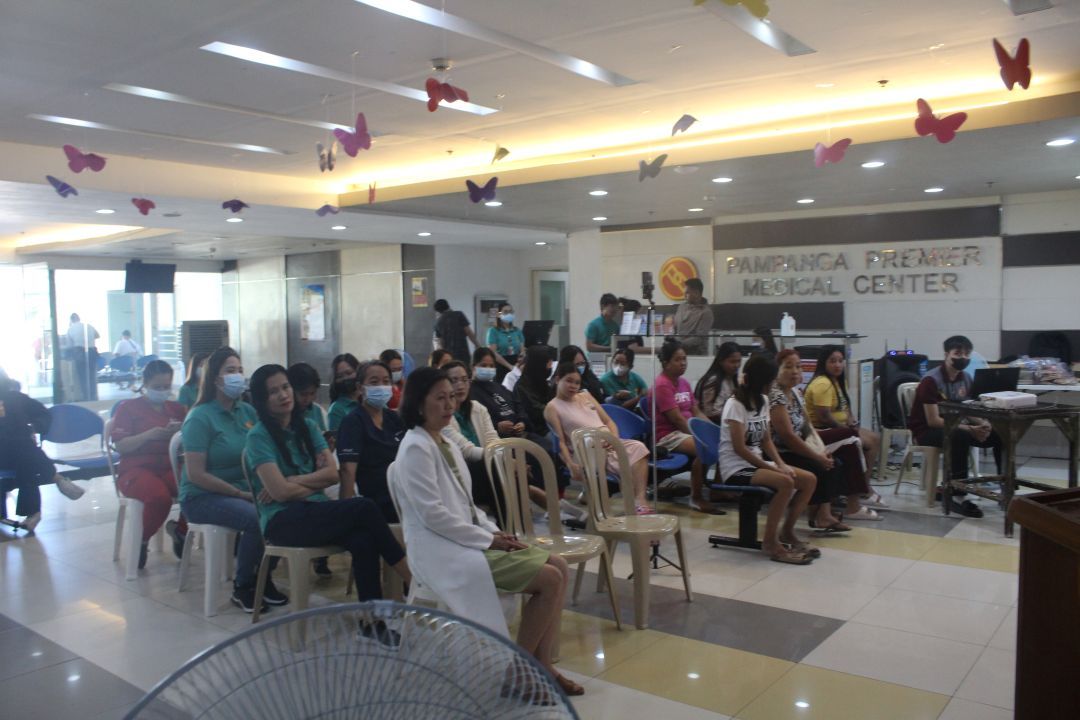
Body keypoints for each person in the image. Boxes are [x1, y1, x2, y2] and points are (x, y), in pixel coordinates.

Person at [391, 367, 580, 696]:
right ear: (419, 403)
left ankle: (543, 666)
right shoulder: (415, 448)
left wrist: (495, 532)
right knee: (549, 580)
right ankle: (519, 672)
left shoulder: (444, 442)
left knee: (559, 566)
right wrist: (488, 540)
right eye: (440, 398)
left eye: (451, 397)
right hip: (442, 551)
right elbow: (433, 516)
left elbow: (466, 506)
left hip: (466, 539)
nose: (449, 405)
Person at [244, 365, 410, 603]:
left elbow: (332, 475)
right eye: (273, 392)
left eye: (285, 387)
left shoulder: (308, 427)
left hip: (315, 509)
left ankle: (372, 616)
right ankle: (410, 576)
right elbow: (280, 494)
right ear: (262, 400)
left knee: (363, 539)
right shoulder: (258, 437)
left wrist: (292, 480)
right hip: (282, 521)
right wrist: (310, 481)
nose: (283, 395)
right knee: (364, 506)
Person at [179, 346, 285, 613]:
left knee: (284, 511)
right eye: (230, 371)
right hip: (202, 495)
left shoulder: (247, 412)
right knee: (256, 518)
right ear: (215, 378)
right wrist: (239, 494)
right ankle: (243, 586)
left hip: (244, 490)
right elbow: (196, 474)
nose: (237, 375)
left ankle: (263, 577)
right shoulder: (199, 417)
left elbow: (263, 453)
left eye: (240, 370)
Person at [720, 355, 818, 564]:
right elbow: (739, 448)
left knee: (809, 480)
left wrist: (780, 464)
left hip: (756, 463)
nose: (773, 385)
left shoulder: (763, 401)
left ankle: (787, 532)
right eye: (770, 381)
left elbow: (765, 440)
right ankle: (770, 542)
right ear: (760, 381)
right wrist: (773, 469)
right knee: (786, 482)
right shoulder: (735, 405)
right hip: (735, 468)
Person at [907, 335, 1002, 518]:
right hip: (927, 431)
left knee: (999, 433)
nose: (963, 357)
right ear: (946, 354)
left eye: (966, 354)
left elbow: (967, 410)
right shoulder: (931, 381)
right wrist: (969, 430)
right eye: (958, 353)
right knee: (960, 436)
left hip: (957, 426)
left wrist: (983, 424)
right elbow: (933, 421)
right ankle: (957, 495)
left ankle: (1005, 487)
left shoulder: (965, 378)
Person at [546, 362, 652, 512]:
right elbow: (561, 441)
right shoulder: (552, 407)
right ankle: (606, 500)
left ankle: (640, 499)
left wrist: (614, 440)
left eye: (577, 382)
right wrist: (570, 464)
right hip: (585, 450)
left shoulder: (585, 395)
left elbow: (609, 422)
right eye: (569, 381)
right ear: (558, 379)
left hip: (609, 442)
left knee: (639, 447)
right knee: (593, 444)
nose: (573, 386)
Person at [111, 361, 187, 568]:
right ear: (145, 384)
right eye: (157, 387)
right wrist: (149, 435)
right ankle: (142, 540)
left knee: (194, 488)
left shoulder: (176, 409)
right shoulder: (128, 409)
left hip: (170, 466)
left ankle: (181, 530)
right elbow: (121, 446)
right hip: (136, 470)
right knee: (159, 498)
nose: (162, 391)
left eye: (166, 386)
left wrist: (179, 433)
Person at [768, 350, 851, 533]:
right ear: (777, 370)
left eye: (798, 366)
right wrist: (816, 457)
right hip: (779, 453)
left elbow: (808, 427)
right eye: (788, 367)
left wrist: (821, 451)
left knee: (834, 463)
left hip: (796, 448)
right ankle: (815, 516)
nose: (795, 371)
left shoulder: (796, 393)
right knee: (820, 467)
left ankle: (822, 514)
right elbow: (788, 437)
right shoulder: (776, 396)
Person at [804, 346, 884, 520]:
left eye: (840, 361)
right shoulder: (822, 383)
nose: (837, 365)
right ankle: (860, 493)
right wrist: (846, 429)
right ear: (823, 363)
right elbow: (824, 417)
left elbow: (845, 408)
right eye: (832, 361)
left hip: (837, 427)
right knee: (856, 441)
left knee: (874, 438)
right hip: (822, 430)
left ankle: (864, 488)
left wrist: (852, 421)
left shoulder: (838, 381)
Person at [0, 373, 83, 531]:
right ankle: (56, 479)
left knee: (26, 457)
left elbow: (43, 414)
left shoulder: (15, 399)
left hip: (18, 454)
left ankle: (33, 513)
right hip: (12, 452)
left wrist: (34, 427)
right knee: (26, 451)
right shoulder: (15, 398)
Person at [649, 340, 722, 514]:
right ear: (666, 363)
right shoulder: (661, 385)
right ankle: (696, 498)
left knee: (721, 441)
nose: (683, 363)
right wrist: (701, 437)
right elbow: (677, 419)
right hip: (668, 436)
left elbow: (696, 411)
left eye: (684, 359)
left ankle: (719, 489)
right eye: (677, 359)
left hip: (685, 432)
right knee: (703, 448)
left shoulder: (684, 383)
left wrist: (714, 430)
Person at [337, 360, 405, 522]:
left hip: (405, 492)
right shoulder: (353, 422)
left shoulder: (394, 418)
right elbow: (347, 471)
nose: (381, 386)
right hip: (378, 502)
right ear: (360, 388)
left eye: (386, 382)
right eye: (374, 382)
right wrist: (346, 515)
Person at [442, 361, 504, 514]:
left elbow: (493, 439)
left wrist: (503, 458)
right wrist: (497, 459)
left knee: (513, 462)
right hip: (461, 473)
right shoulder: (442, 414)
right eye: (454, 380)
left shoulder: (478, 408)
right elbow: (466, 451)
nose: (460, 386)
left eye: (464, 380)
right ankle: (508, 522)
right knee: (494, 467)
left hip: (486, 468)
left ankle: (512, 522)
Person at [695, 342, 742, 423]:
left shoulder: (732, 378)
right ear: (721, 361)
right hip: (713, 424)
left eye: (739, 361)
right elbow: (710, 412)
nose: (736, 365)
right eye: (732, 362)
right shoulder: (713, 381)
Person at [514, 345, 557, 433]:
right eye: (548, 364)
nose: (550, 368)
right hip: (535, 430)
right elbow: (537, 411)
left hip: (550, 426)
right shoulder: (522, 387)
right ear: (538, 364)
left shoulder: (541, 381)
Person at [672, 278, 714, 355]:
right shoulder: (681, 307)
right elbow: (675, 329)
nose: (684, 295)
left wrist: (679, 344)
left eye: (687, 293)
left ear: (696, 293)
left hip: (696, 355)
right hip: (679, 352)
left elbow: (699, 338)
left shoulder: (706, 312)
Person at [486, 303, 525, 383]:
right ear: (499, 314)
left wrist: (520, 360)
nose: (509, 314)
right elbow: (493, 353)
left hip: (516, 366)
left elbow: (522, 349)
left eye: (511, 312)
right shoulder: (493, 331)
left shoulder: (517, 331)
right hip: (501, 366)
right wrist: (509, 366)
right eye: (506, 312)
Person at [433, 299, 479, 363]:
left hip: (449, 356)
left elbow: (440, 343)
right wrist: (477, 345)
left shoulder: (438, 322)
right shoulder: (459, 314)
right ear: (448, 306)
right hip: (463, 353)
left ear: (438, 311)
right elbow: (469, 332)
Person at [66, 312, 100, 401]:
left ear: (71, 320)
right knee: (92, 375)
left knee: (83, 376)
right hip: (92, 351)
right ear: (79, 318)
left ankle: (86, 396)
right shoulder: (88, 326)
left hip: (79, 352)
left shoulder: (70, 329)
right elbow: (97, 335)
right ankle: (93, 396)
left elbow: (69, 345)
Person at [287, 363, 326, 435]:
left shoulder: (317, 410)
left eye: (312, 393)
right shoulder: (284, 413)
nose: (308, 400)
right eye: (303, 394)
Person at [327, 357, 362, 433]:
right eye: (339, 376)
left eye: (349, 373)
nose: (345, 378)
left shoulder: (370, 399)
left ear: (359, 372)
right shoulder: (336, 410)